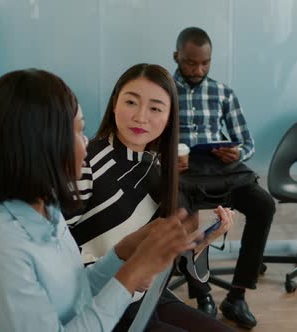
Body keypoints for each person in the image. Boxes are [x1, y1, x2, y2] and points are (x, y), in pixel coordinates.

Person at [0, 69, 202, 332]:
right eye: (76, 132)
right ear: (40, 144)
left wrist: (122, 253)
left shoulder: (44, 210)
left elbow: (77, 291)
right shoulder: (2, 247)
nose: (86, 144)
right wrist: (132, 273)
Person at [64, 63, 235, 331]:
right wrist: (128, 271)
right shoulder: (85, 163)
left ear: (169, 118)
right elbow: (58, 255)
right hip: (101, 306)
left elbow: (167, 262)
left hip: (147, 298)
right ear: (114, 104)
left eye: (155, 108)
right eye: (131, 102)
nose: (140, 117)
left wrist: (201, 243)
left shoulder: (157, 166)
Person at [172, 27, 277, 329]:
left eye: (205, 63)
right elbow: (147, 139)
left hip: (220, 171)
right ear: (177, 56)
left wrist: (237, 153)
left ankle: (238, 295)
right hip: (182, 174)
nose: (198, 70)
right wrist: (165, 159)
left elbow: (247, 142)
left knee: (263, 205)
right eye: (191, 63)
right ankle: (202, 294)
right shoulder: (163, 92)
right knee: (185, 215)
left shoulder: (223, 93)